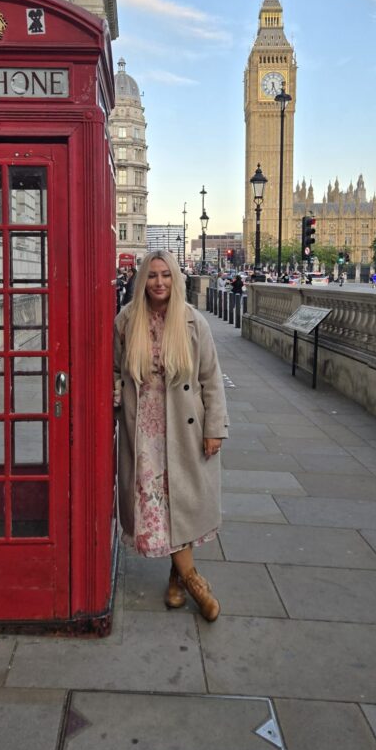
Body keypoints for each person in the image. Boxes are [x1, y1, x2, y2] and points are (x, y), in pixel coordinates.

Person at [114, 249, 229, 622]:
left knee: (178, 502)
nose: (159, 282)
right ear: (141, 279)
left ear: (175, 279)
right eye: (152, 275)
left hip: (184, 427)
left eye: (165, 275)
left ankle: (187, 581)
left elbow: (211, 380)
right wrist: (114, 393)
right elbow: (114, 370)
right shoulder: (126, 322)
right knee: (157, 506)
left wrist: (216, 429)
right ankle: (187, 580)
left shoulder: (194, 323)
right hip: (143, 431)